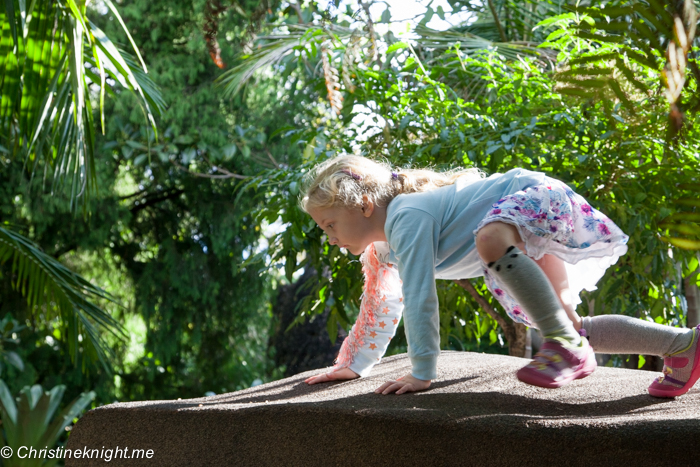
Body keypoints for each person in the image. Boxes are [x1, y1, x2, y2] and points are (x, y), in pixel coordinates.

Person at [302, 155, 700, 397]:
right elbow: (380, 306)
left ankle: (566, 346)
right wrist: (353, 364)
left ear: (365, 205)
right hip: (520, 227)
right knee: (568, 325)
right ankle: (682, 346)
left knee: (490, 239)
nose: (330, 237)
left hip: (531, 196)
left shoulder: (406, 216)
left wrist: (422, 371)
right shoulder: (380, 253)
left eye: (330, 224)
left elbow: (421, 296)